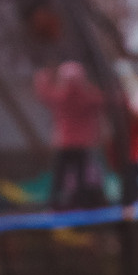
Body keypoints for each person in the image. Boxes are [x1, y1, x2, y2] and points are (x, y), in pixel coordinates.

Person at [36, 60, 111, 210]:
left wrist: (43, 77)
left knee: (60, 174)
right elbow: (102, 100)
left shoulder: (61, 97)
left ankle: (54, 201)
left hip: (64, 143)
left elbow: (44, 94)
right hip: (83, 143)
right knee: (81, 175)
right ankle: (81, 202)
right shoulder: (87, 97)